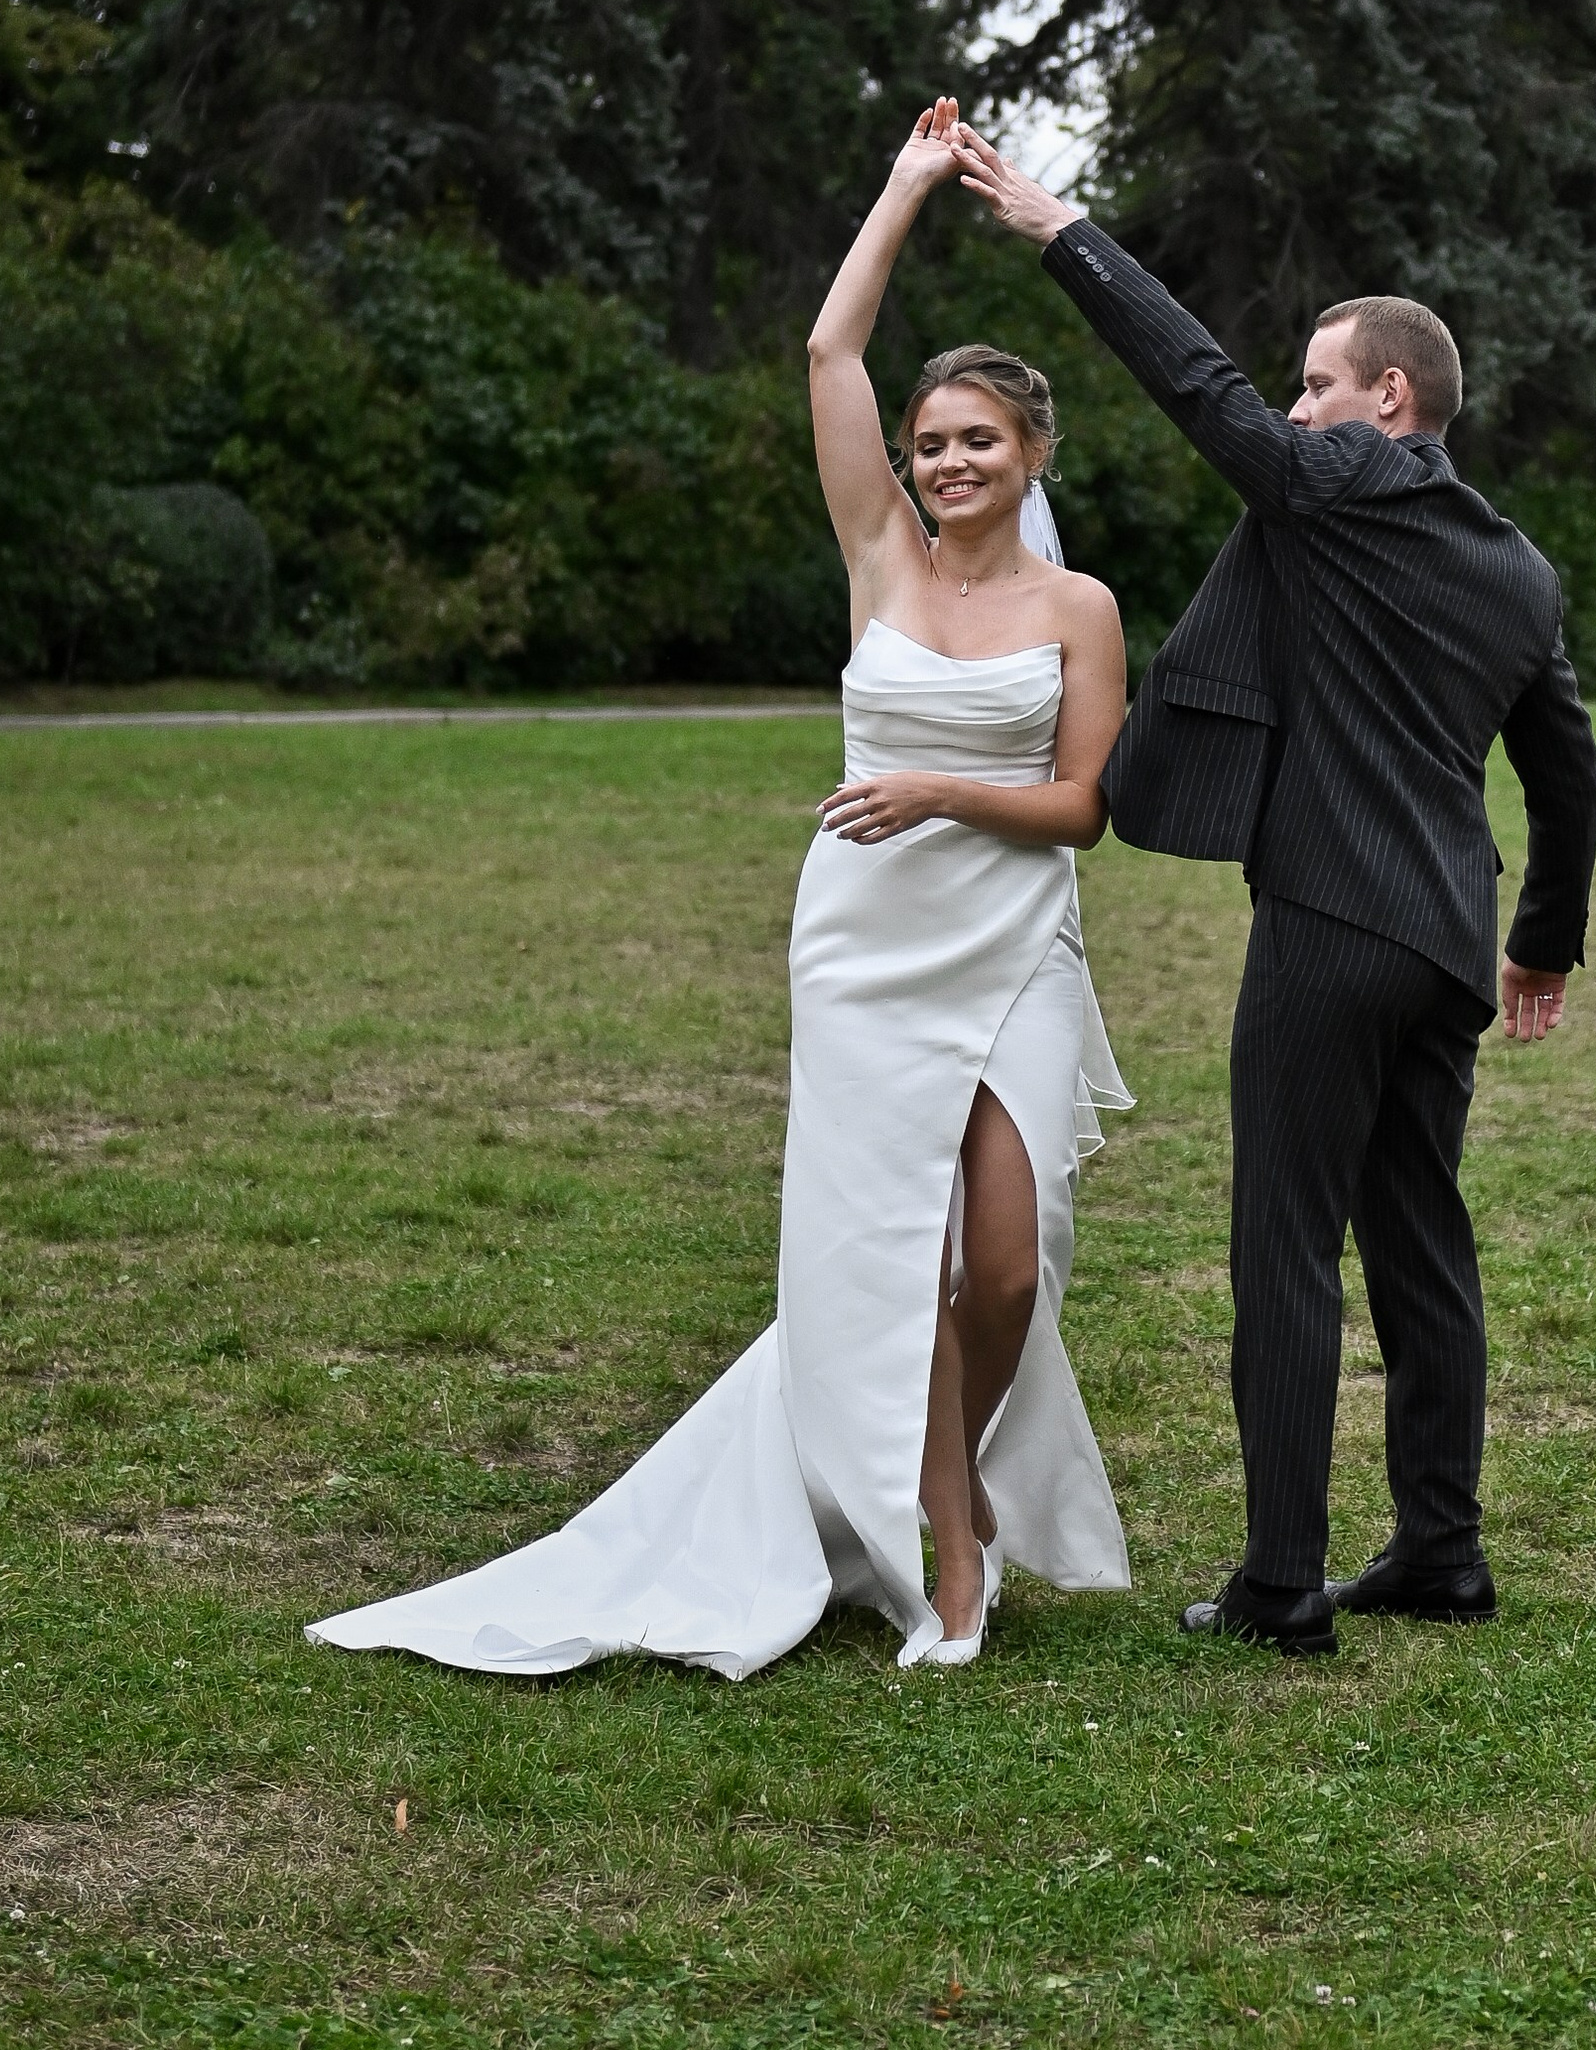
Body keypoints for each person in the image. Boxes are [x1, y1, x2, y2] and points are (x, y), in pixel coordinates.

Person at [308, 100, 1134, 1683]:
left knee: (1012, 1260)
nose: (948, 461)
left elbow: (1085, 808)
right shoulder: (880, 562)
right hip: (866, 948)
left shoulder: (1078, 604)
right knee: (900, 1250)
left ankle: (930, 1483)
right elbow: (832, 355)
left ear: (1032, 455)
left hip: (1016, 937)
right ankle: (952, 1554)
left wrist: (945, 790)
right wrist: (901, 186)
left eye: (979, 441)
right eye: (932, 441)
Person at [952, 120, 1596, 1660]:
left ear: (1391, 399)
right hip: (1446, 938)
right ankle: (1441, 1551)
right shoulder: (1518, 569)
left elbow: (1198, 390)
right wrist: (1541, 944)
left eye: (1319, 383)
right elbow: (1568, 773)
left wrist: (1061, 232)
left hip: (1326, 921)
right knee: (1422, 1243)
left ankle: (1282, 1583)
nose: (1294, 409)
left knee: (1284, 1246)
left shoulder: (1335, 490)